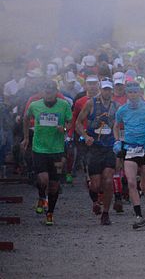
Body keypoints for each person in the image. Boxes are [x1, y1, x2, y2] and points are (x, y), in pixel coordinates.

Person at [113, 81, 145, 229]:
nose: (133, 95)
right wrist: (117, 141)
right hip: (130, 148)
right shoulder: (122, 110)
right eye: (130, 92)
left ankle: (141, 191)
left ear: (140, 92)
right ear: (126, 93)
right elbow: (116, 126)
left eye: (135, 92)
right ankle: (139, 216)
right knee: (131, 182)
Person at [22, 80, 72, 225]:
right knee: (43, 179)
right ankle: (41, 197)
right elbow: (26, 118)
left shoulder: (64, 105)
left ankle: (50, 213)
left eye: (51, 91)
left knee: (54, 184)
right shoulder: (34, 105)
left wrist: (63, 129)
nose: (49, 94)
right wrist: (26, 138)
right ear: (42, 92)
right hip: (40, 149)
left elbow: (70, 122)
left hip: (57, 150)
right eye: (46, 91)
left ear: (56, 92)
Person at [76, 80, 118, 225]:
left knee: (108, 180)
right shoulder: (91, 104)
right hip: (94, 147)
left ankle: (105, 213)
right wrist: (86, 136)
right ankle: (95, 199)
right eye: (105, 89)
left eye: (109, 90)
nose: (107, 92)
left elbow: (120, 125)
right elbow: (78, 123)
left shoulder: (116, 106)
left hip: (109, 147)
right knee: (95, 184)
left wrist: (119, 140)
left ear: (112, 91)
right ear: (100, 89)